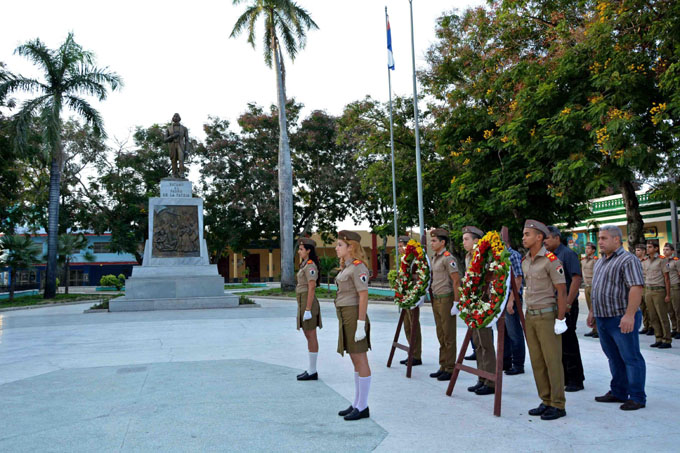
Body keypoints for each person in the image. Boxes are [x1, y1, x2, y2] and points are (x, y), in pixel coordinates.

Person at [588, 225, 646, 410]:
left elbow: (636, 288)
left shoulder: (628, 260)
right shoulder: (601, 261)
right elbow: (597, 289)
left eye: (604, 238)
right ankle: (619, 391)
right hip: (603, 317)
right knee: (613, 357)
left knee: (631, 357)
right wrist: (592, 312)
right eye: (599, 239)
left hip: (621, 318)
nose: (600, 242)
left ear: (616, 240)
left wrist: (629, 315)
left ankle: (637, 397)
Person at [522, 220, 568, 421]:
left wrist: (560, 318)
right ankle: (546, 400)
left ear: (539, 237)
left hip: (547, 316)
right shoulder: (526, 261)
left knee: (552, 361)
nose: (523, 238)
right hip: (530, 315)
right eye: (523, 235)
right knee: (537, 361)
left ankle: (558, 404)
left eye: (527, 234)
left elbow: (561, 291)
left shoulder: (551, 260)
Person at [334, 230, 372, 421]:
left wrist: (360, 324)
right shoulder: (347, 267)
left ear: (351, 247)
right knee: (355, 360)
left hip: (354, 315)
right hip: (345, 315)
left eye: (340, 244)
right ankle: (357, 402)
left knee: (360, 359)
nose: (336, 248)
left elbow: (363, 295)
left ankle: (363, 406)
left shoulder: (358, 267)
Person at [544, 226, 585, 392]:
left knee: (568, 342)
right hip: (553, 304)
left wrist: (567, 303)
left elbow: (576, 278)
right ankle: (565, 376)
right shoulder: (548, 256)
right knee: (558, 343)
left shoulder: (567, 254)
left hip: (566, 305)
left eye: (546, 238)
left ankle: (576, 379)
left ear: (556, 238)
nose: (544, 241)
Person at [462, 226, 496, 396]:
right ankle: (481, 378)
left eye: (466, 239)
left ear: (476, 241)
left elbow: (490, 278)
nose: (463, 242)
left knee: (486, 343)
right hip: (473, 303)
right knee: (477, 343)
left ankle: (490, 381)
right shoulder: (469, 257)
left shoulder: (485, 256)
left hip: (483, 303)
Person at [428, 228, 461, 382]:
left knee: (448, 335)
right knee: (441, 334)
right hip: (436, 299)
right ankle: (443, 365)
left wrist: (456, 302)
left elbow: (456, 280)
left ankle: (450, 367)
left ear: (443, 242)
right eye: (431, 240)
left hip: (446, 299)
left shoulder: (448, 258)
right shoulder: (435, 258)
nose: (431, 243)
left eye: (434, 241)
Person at [296, 238, 323, 381]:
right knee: (308, 334)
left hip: (308, 303)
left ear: (308, 251)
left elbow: (311, 287)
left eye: (301, 249)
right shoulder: (304, 265)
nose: (299, 251)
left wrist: (307, 309)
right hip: (303, 301)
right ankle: (311, 369)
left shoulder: (310, 266)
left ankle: (313, 371)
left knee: (311, 335)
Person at [397, 235, 422, 366]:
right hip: (405, 296)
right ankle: (411, 352)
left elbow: (418, 277)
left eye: (401, 246)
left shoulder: (415, 260)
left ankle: (416, 355)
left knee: (413, 326)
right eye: (399, 246)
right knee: (407, 326)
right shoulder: (404, 260)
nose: (399, 248)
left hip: (412, 296)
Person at [642, 239, 671, 348]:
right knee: (652, 316)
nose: (647, 249)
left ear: (656, 248)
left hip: (659, 290)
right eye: (647, 247)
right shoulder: (645, 261)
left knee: (662, 315)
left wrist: (668, 294)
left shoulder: (662, 260)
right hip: (648, 290)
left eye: (650, 247)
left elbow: (667, 278)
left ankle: (667, 339)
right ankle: (658, 337)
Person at [504, 240, 526, 376]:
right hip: (502, 299)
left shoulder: (513, 255)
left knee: (514, 333)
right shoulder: (499, 256)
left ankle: (518, 364)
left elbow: (518, 279)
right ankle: (506, 361)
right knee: (504, 333)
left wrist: (512, 300)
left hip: (512, 298)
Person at [662, 243, 680, 340]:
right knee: (670, 310)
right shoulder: (662, 261)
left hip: (675, 287)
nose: (665, 251)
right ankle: (674, 328)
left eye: (667, 249)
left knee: (677, 309)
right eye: (664, 249)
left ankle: (679, 330)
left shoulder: (676, 261)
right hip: (665, 287)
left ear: (672, 251)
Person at [164, 113, 190, 178]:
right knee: (173, 160)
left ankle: (182, 173)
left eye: (177, 116)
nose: (176, 117)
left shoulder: (184, 128)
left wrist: (187, 150)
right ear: (172, 118)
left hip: (180, 145)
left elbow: (187, 140)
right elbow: (165, 139)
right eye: (174, 116)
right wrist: (172, 136)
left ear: (179, 118)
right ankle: (174, 174)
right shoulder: (169, 128)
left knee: (181, 159)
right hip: (172, 145)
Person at [634, 243, 653, 336]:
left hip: (646, 286)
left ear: (643, 251)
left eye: (638, 250)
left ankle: (651, 326)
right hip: (639, 287)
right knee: (643, 308)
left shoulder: (647, 261)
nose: (636, 252)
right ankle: (646, 326)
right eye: (636, 250)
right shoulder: (636, 261)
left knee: (649, 308)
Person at [582, 242, 599, 338]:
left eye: (589, 248)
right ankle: (593, 328)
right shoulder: (583, 260)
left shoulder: (595, 260)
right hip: (586, 286)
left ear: (593, 250)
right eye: (586, 248)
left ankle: (598, 329)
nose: (586, 250)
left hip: (593, 286)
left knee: (595, 308)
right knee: (590, 309)